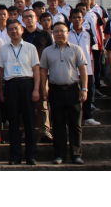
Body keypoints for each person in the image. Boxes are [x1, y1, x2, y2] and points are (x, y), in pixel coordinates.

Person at [40, 22, 88, 165]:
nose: (59, 34)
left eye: (62, 31)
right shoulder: (47, 51)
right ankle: (59, 155)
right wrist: (43, 89)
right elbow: (43, 71)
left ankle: (76, 154)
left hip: (73, 90)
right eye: (56, 31)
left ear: (68, 33)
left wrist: (84, 88)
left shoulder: (76, 49)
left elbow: (83, 70)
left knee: (75, 124)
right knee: (58, 124)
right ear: (52, 34)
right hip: (55, 91)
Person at [0, 19, 40, 165]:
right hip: (10, 85)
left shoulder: (30, 47)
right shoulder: (3, 49)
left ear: (22, 30)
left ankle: (31, 155)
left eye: (16, 28)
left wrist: (36, 89)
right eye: (10, 29)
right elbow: (1, 70)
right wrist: (1, 91)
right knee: (13, 122)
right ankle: (15, 156)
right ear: (7, 32)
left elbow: (36, 70)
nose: (13, 31)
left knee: (29, 121)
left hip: (27, 84)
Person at [21, 9, 54, 143]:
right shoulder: (20, 34)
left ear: (36, 18)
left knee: (42, 103)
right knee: (25, 104)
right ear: (22, 20)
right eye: (26, 17)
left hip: (41, 72)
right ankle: (26, 131)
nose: (29, 19)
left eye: (31, 16)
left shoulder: (45, 34)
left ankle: (45, 131)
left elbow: (51, 52)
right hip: (24, 72)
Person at [68, 8, 100, 126]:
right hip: (71, 68)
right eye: (74, 17)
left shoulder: (88, 33)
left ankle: (88, 117)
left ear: (83, 19)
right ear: (70, 19)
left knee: (88, 92)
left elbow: (92, 50)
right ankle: (72, 119)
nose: (77, 20)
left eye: (79, 18)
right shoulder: (67, 33)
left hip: (87, 68)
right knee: (72, 95)